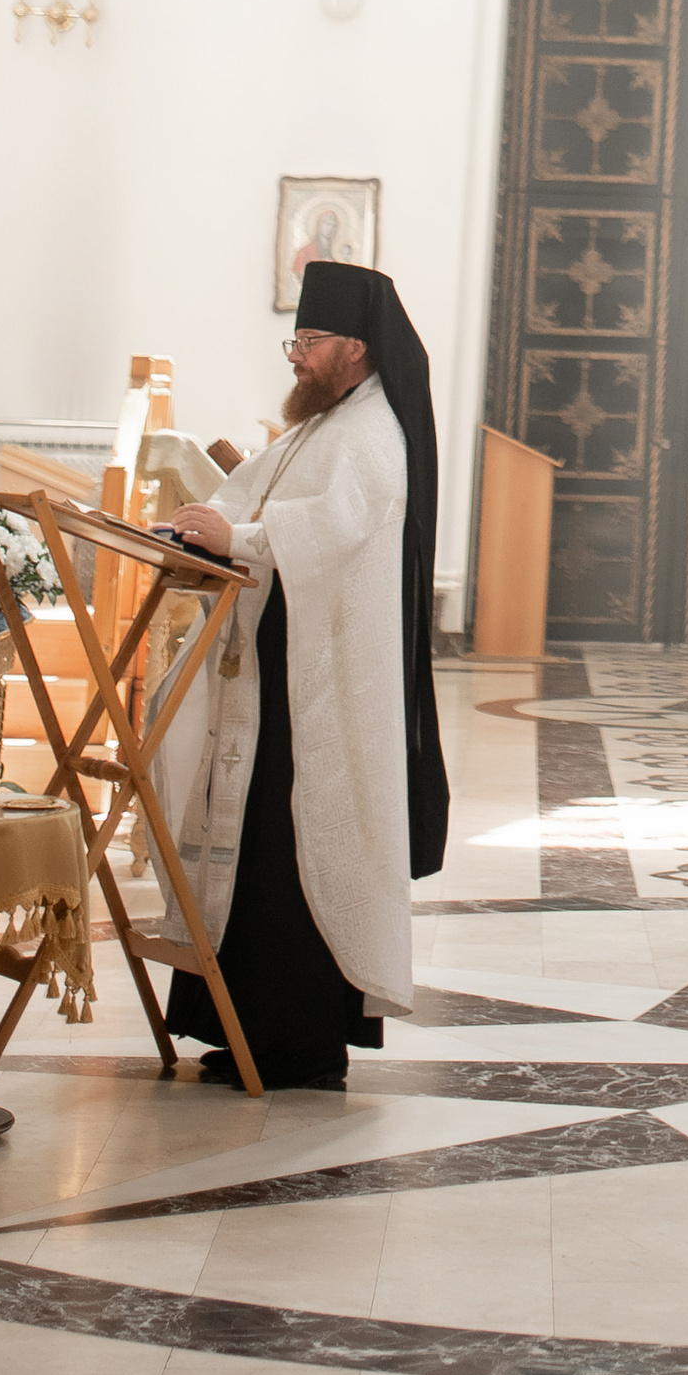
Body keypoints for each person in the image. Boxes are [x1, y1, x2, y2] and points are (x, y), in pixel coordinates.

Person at [153, 263, 450, 1088]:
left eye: (310, 341)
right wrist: (198, 530)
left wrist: (238, 539)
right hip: (276, 667)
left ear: (354, 349)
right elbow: (254, 496)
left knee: (293, 852)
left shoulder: (371, 433)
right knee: (254, 850)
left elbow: (335, 528)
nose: (296, 355)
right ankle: (235, 1024)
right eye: (297, 339)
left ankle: (296, 1041)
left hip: (318, 686)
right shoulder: (325, 424)